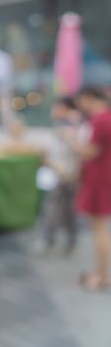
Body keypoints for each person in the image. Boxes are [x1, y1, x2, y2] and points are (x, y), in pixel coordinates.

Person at [72, 86, 111, 290]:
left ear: (89, 97)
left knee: (99, 229)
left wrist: (71, 141)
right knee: (100, 228)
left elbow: (90, 152)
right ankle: (101, 273)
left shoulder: (100, 120)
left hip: (99, 178)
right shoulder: (105, 118)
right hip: (103, 176)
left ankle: (103, 276)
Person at [38, 97, 82, 254]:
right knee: (53, 208)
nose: (53, 111)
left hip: (68, 175)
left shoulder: (74, 128)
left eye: (57, 108)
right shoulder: (59, 127)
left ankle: (67, 242)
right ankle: (51, 240)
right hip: (56, 173)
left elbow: (79, 151)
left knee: (66, 210)